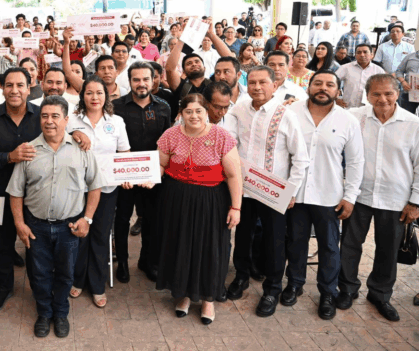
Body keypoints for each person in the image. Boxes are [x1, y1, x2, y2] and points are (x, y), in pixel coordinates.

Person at [8, 96, 104, 338]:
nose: (49, 121)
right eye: (44, 116)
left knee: (65, 273)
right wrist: (19, 224)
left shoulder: (82, 149)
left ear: (66, 120)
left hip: (69, 227)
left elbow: (95, 185)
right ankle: (44, 313)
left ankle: (60, 313)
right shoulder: (28, 150)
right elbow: (16, 192)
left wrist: (88, 219)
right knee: (38, 273)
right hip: (36, 227)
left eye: (55, 116)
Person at [336, 74, 419, 321]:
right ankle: (347, 289)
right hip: (359, 195)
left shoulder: (414, 124)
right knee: (350, 246)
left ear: (398, 93)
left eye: (388, 93)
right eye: (376, 94)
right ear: (367, 95)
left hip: (396, 199)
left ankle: (380, 294)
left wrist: (416, 201)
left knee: (388, 249)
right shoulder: (355, 117)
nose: (382, 99)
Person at [223, 66, 308, 317]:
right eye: (252, 82)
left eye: (263, 82)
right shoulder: (239, 109)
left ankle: (272, 288)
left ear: (274, 85)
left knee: (274, 241)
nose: (257, 87)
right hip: (245, 188)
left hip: (274, 191)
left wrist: (291, 191)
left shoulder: (287, 115)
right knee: (243, 235)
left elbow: (300, 158)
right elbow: (230, 141)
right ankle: (241, 276)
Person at [284, 71, 364, 320]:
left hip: (329, 195)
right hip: (295, 195)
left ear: (338, 91)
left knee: (329, 247)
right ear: (308, 86)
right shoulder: (290, 112)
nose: (323, 88)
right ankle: (294, 283)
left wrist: (350, 195)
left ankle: (328, 292)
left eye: (330, 85)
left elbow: (355, 161)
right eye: (317, 83)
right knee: (295, 242)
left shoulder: (348, 120)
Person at [156, 93, 242, 324]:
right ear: (181, 113)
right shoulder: (170, 135)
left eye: (199, 111)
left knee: (210, 247)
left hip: (211, 200)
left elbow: (234, 175)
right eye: (188, 111)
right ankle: (183, 294)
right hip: (177, 199)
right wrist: (147, 177)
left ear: (207, 112)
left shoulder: (221, 136)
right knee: (181, 244)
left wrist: (236, 207)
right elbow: (161, 165)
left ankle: (208, 299)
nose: (194, 116)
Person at [0, 67, 42, 313]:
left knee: (35, 243)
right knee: (3, 244)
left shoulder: (41, 115)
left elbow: (58, 136)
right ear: (1, 87)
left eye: (20, 85)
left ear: (29, 87)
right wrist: (8, 157)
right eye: (9, 85)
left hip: (35, 194)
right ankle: (4, 287)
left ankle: (39, 287)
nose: (14, 90)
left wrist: (77, 133)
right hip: (1, 192)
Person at [67, 76, 130, 308]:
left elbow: (124, 152)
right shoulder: (71, 120)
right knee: (78, 234)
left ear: (107, 95)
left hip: (107, 188)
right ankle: (77, 279)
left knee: (101, 236)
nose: (95, 97)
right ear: (82, 96)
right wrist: (72, 134)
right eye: (90, 93)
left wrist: (126, 176)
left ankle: (97, 284)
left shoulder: (117, 121)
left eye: (99, 93)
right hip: (76, 188)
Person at [113, 62, 171, 283]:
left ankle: (148, 262)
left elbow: (167, 144)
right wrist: (120, 173)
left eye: (146, 79)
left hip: (152, 177)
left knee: (151, 221)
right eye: (136, 79)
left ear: (154, 79)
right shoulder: (116, 107)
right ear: (129, 82)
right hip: (124, 177)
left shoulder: (164, 107)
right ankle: (124, 264)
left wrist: (159, 173)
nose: (141, 84)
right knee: (122, 220)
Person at [335, 44, 384, 109]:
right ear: (355, 55)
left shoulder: (378, 71)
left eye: (365, 52)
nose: (362, 55)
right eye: (359, 52)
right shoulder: (345, 68)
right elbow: (332, 82)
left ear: (372, 55)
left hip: (370, 109)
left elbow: (385, 88)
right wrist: (335, 98)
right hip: (348, 108)